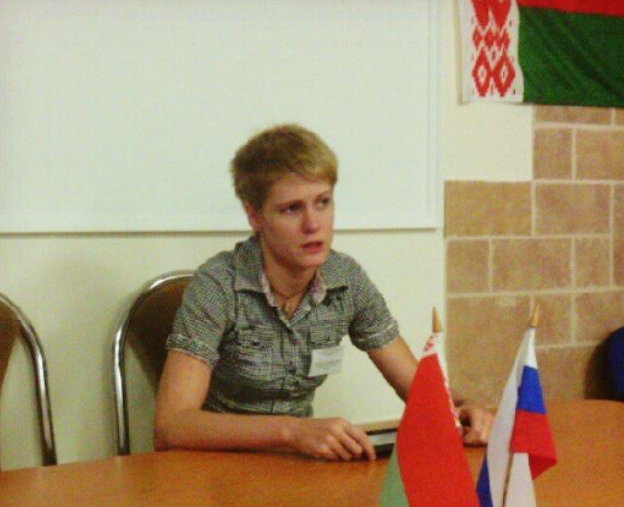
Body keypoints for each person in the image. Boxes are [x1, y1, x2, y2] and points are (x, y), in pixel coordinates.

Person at [154, 124, 493, 461]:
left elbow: (422, 393)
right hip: (214, 466)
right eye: (292, 208)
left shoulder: (346, 280)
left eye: (323, 202)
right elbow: (171, 426)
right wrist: (291, 431)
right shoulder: (217, 285)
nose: (313, 224)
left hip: (297, 464)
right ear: (254, 216)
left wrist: (463, 409)